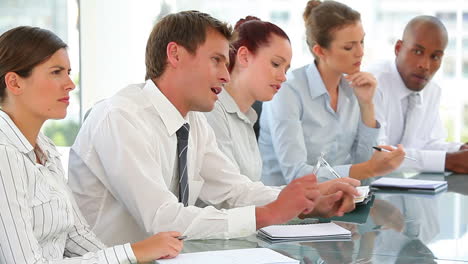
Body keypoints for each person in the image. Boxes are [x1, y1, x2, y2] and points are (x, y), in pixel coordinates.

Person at [67, 10, 360, 246]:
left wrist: (308, 202)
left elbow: (235, 191)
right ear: (176, 55)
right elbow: (162, 218)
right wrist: (268, 214)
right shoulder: (121, 116)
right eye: (217, 61)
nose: (225, 75)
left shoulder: (193, 122)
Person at [0, 26, 183, 264]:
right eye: (56, 72)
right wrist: (134, 252)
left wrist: (133, 258)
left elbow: (76, 237)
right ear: (14, 83)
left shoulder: (44, 147)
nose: (70, 84)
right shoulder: (4, 153)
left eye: (68, 72)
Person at [258, 0, 405, 185]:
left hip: (336, 202)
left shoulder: (355, 89)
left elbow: (364, 176)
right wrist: (370, 168)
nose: (360, 52)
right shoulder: (287, 91)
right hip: (285, 205)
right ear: (320, 50)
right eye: (349, 47)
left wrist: (367, 106)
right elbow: (297, 176)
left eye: (362, 42)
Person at [370, 15, 468, 174]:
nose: (425, 65)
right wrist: (449, 160)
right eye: (417, 51)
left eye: (435, 56)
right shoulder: (373, 85)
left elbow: (428, 143)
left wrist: (459, 149)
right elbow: (378, 154)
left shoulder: (432, 89)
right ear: (398, 48)